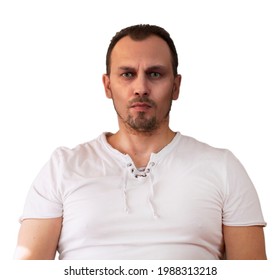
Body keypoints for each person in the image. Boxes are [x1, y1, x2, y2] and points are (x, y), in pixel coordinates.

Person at [14, 24, 267, 260]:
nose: (141, 87)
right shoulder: (62, 167)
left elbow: (252, 273)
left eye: (155, 74)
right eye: (127, 74)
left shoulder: (223, 168)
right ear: (107, 85)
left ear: (176, 86)